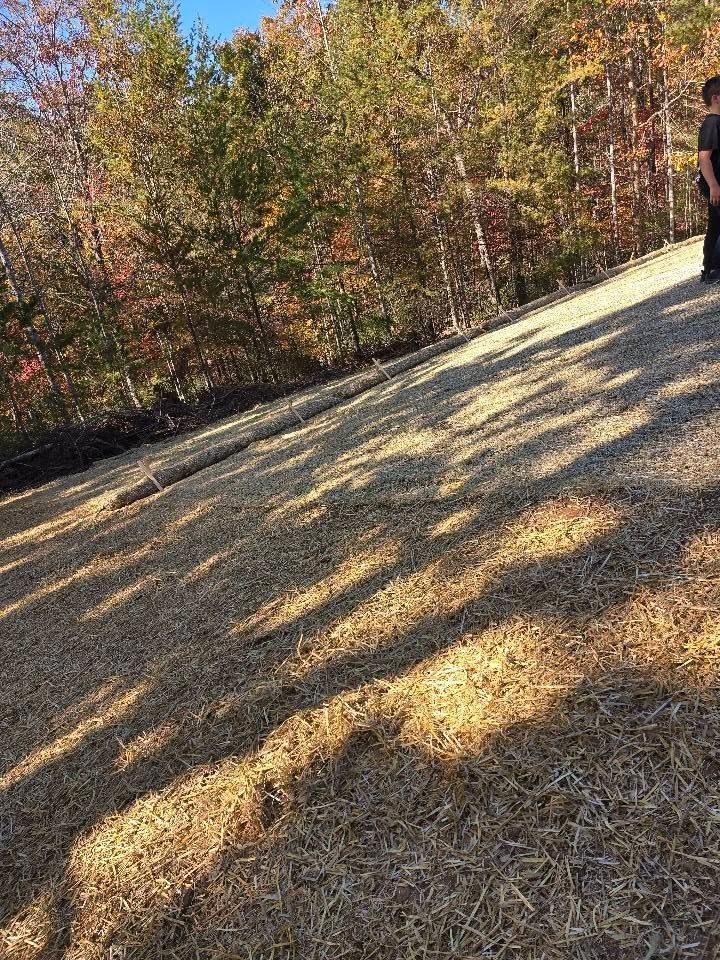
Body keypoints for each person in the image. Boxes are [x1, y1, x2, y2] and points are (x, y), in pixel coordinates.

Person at [699, 76, 720, 282]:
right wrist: (714, 186)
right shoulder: (711, 124)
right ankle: (714, 268)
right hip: (715, 183)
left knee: (716, 223)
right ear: (716, 98)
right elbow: (704, 159)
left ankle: (709, 269)